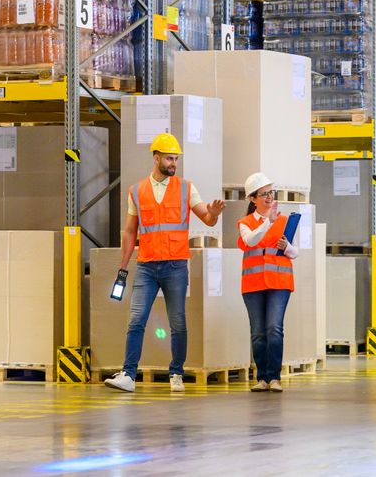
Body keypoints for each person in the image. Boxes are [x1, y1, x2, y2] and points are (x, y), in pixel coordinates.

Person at [105, 133, 225, 393]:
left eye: (176, 159)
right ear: (156, 157)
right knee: (136, 320)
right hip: (147, 265)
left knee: (178, 322)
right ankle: (128, 374)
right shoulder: (136, 191)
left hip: (175, 266)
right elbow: (129, 231)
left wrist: (213, 215)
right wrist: (123, 266)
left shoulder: (186, 187)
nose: (174, 163)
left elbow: (206, 217)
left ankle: (176, 373)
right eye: (170, 158)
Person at [237, 172, 298, 393]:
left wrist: (287, 247)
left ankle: (274, 377)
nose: (269, 197)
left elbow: (295, 252)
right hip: (253, 285)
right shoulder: (245, 223)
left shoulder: (284, 221)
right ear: (253, 199)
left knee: (274, 328)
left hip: (279, 283)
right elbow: (250, 240)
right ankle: (262, 377)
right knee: (258, 332)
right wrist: (267, 223)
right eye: (264, 194)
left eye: (271, 193)